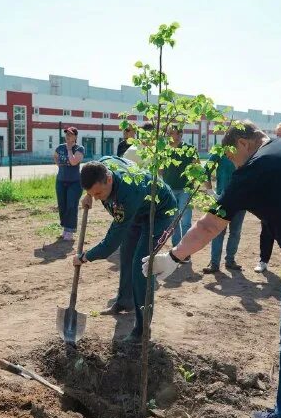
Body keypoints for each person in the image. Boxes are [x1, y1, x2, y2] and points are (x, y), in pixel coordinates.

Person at [144, 122, 281, 418]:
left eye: (232, 158)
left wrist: (174, 257)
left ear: (243, 143)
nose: (234, 165)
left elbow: (209, 225)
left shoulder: (254, 169)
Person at [74, 157, 176, 344]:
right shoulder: (103, 165)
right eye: (92, 194)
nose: (97, 198)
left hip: (161, 213)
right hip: (139, 212)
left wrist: (85, 256)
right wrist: (87, 194)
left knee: (142, 267)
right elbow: (99, 165)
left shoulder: (128, 194)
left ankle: (142, 329)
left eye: (98, 193)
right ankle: (124, 301)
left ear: (109, 179)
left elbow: (110, 243)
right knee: (126, 255)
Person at [101, 123, 154, 315]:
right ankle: (124, 301)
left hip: (151, 211)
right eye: (148, 135)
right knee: (127, 256)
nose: (151, 139)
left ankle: (139, 305)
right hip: (133, 211)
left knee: (143, 259)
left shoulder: (158, 153)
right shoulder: (133, 152)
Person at [254, 121, 281, 273]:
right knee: (266, 232)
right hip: (270, 201)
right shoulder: (271, 151)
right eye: (276, 134)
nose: (276, 138)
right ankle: (263, 261)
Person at [202, 147, 245, 273]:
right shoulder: (219, 151)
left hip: (240, 199)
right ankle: (214, 263)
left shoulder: (245, 151)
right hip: (222, 199)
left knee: (235, 231)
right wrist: (211, 191)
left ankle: (230, 260)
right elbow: (206, 171)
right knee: (217, 232)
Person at [161, 125, 199, 250]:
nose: (170, 135)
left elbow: (197, 168)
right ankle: (177, 248)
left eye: (173, 132)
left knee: (185, 220)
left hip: (185, 190)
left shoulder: (190, 149)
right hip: (169, 190)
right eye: (169, 132)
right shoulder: (164, 150)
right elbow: (160, 170)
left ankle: (186, 248)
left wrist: (191, 182)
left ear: (180, 135)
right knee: (173, 220)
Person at [54, 127, 85, 241]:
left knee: (71, 206)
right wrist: (59, 165)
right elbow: (55, 156)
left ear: (75, 137)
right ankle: (65, 228)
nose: (68, 136)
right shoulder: (60, 147)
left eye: (71, 135)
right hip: (61, 181)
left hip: (75, 183)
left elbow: (73, 162)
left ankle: (70, 231)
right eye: (67, 134)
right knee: (62, 205)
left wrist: (69, 149)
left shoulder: (79, 148)